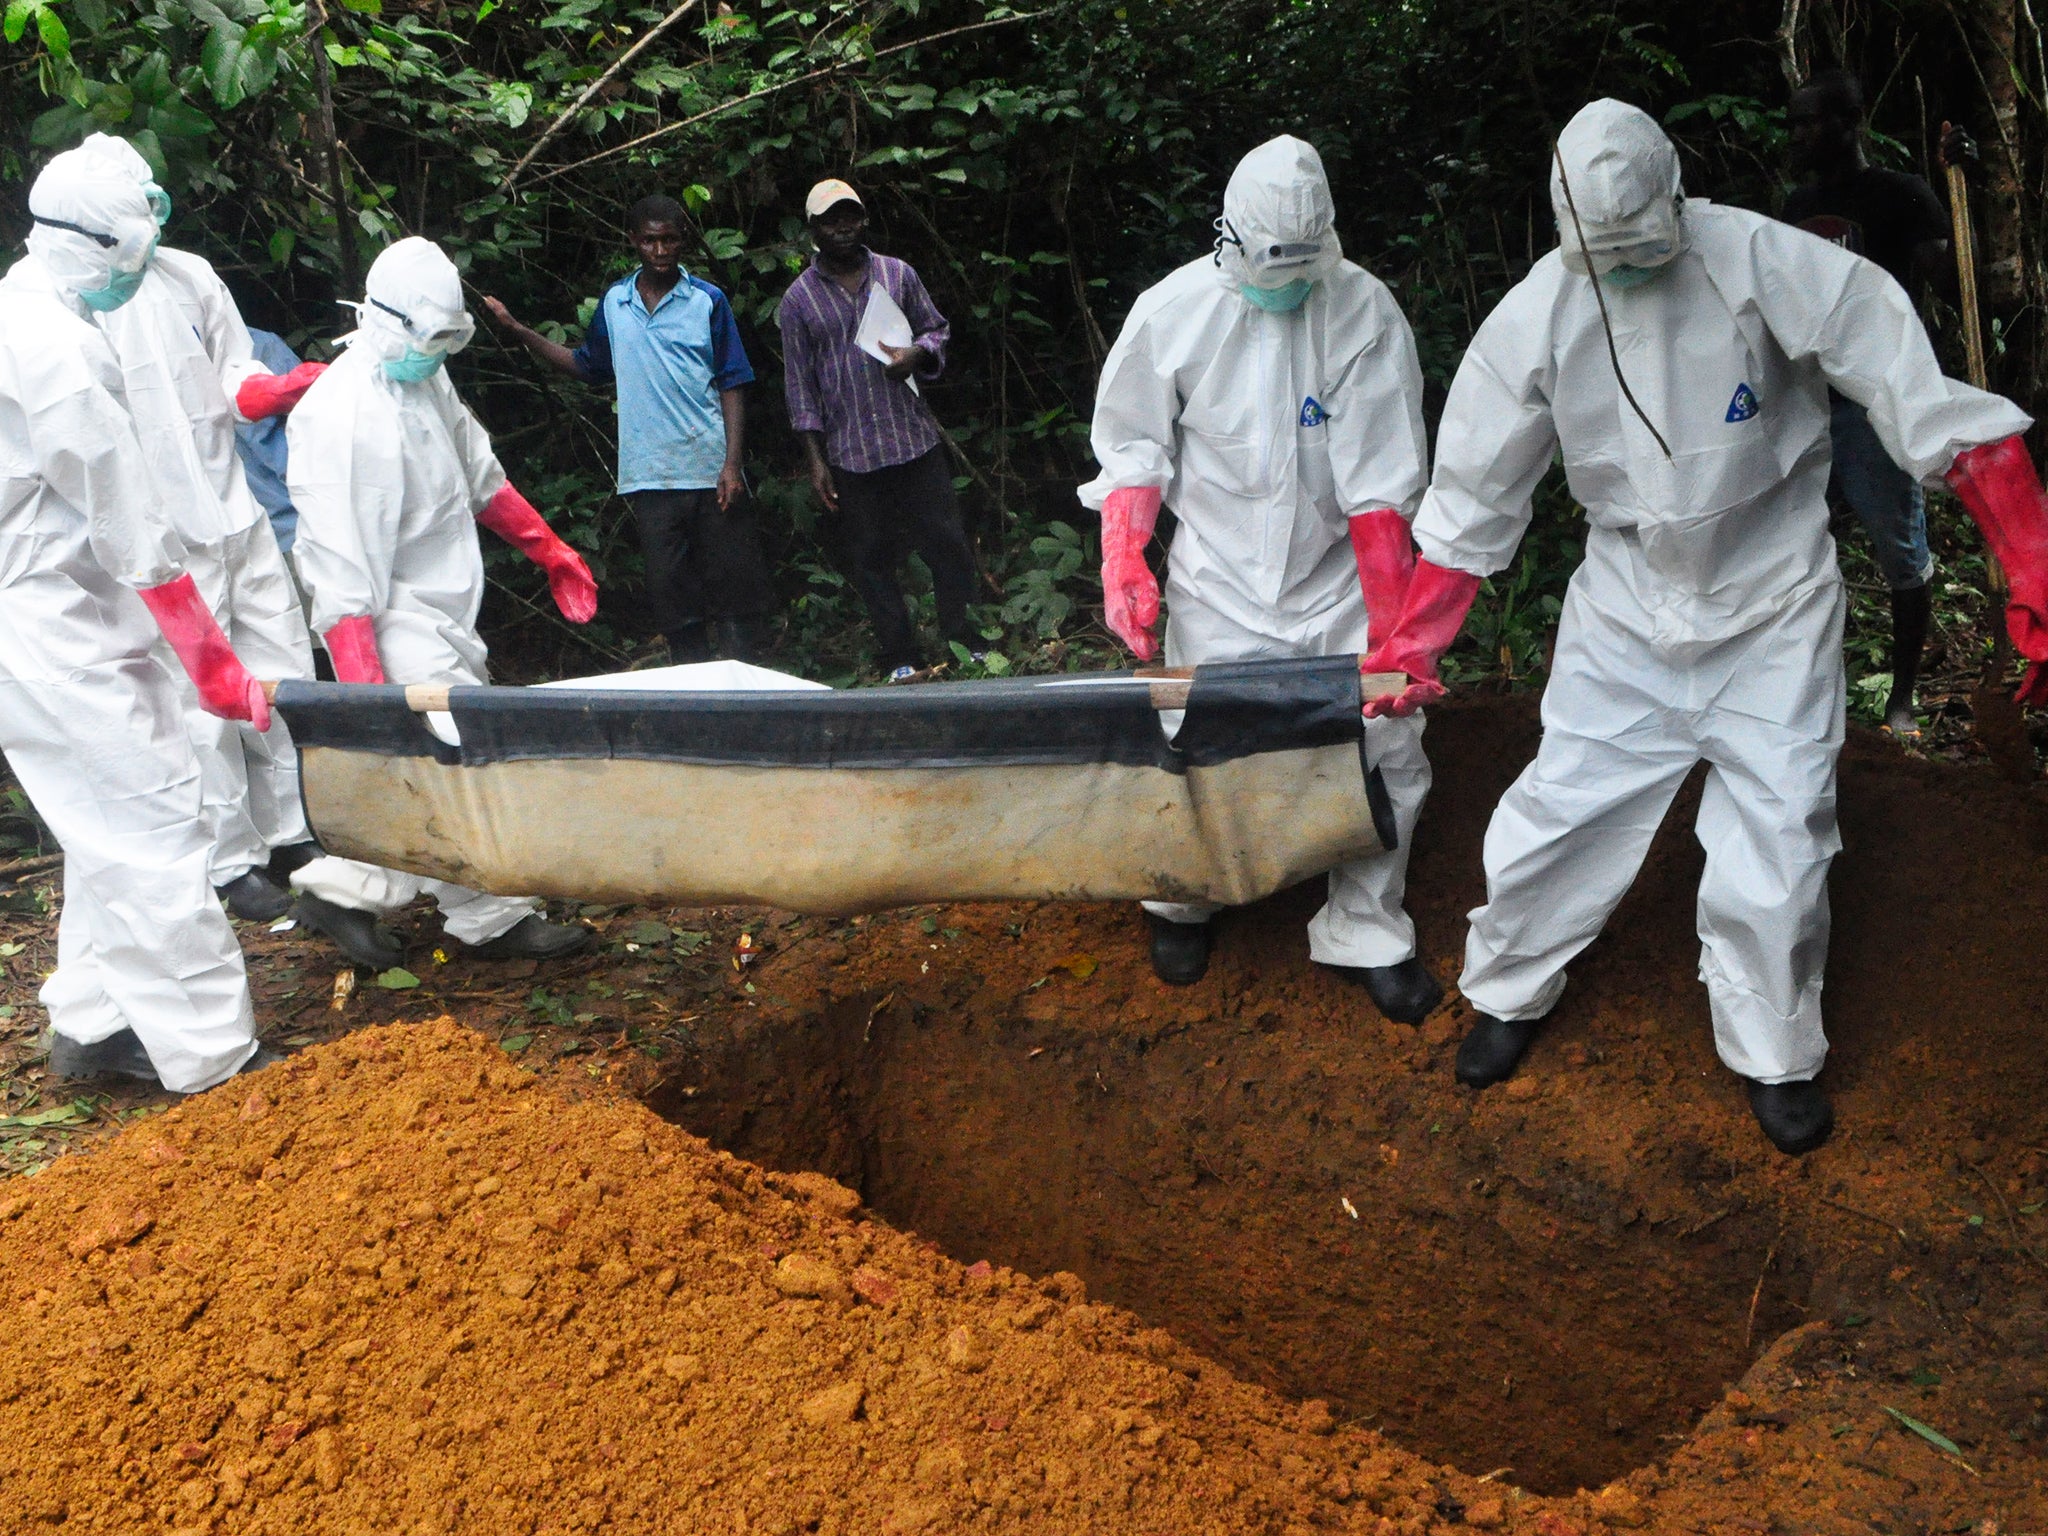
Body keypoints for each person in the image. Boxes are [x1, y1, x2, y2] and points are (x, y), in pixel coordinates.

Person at [1361, 99, 2044, 1154]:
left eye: (1644, 246)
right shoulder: (1534, 318)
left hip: (1771, 598)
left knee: (1777, 836)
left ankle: (1773, 1053)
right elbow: (1470, 504)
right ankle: (1507, 989)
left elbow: (1919, 400)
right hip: (1626, 608)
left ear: (1677, 200)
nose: (1629, 270)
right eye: (1608, 256)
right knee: (1559, 809)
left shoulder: (1765, 262)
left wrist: (2027, 555)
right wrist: (1408, 645)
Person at [1078, 135, 1442, 1024]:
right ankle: (1184, 900)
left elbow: (1383, 487)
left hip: (1339, 582)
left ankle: (1364, 922)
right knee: (1192, 736)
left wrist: (1396, 631)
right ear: (1228, 238)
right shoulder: (1175, 311)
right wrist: (1125, 556)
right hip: (1220, 580)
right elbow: (1132, 445)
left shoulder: (1362, 311)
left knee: (1388, 746)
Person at [6, 147, 276, 1091]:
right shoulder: (59, 352)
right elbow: (131, 526)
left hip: (70, 612)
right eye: (130, 252)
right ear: (90, 244)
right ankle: (215, 1058)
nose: (139, 269)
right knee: (156, 825)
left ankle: (91, 1023)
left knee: (101, 827)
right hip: (53, 628)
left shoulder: (27, 300)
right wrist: (212, 662)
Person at [284, 236, 599, 968]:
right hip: (383, 620)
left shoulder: (423, 380)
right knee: (456, 765)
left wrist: (550, 549)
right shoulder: (341, 414)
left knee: (435, 771)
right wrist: (367, 698)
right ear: (388, 322)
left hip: (444, 609)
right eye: (434, 338)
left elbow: (480, 474)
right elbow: (339, 573)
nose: (441, 353)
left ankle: (348, 890)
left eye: (453, 339)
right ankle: (486, 918)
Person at [75, 133, 325, 922]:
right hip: (164, 538)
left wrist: (269, 392)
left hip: (235, 507)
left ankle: (299, 832)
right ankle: (233, 856)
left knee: (284, 668)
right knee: (200, 699)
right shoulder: (77, 304)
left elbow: (232, 364)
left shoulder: (191, 275)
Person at [484, 195, 772, 663]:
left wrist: (732, 464)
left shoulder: (707, 301)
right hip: (649, 476)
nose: (661, 250)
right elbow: (586, 365)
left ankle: (745, 692)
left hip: (709, 470)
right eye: (651, 241)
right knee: (672, 594)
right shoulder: (616, 303)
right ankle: (694, 691)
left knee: (731, 585)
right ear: (634, 242)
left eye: (670, 239)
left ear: (683, 240)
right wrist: (518, 331)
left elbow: (733, 381)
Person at [1782, 70, 1972, 739]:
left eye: (1810, 121)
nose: (1799, 135)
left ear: (1850, 120)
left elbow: (1948, 279)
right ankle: (1808, 694)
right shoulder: (1795, 208)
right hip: (1806, 406)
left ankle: (1902, 700)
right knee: (1793, 550)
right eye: (1794, 122)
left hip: (1873, 405)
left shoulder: (1898, 196)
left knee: (1900, 554)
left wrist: (1954, 193)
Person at [778, 179, 978, 681]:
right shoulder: (798, 301)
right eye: (830, 220)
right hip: (851, 452)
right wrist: (815, 459)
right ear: (814, 229)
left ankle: (962, 640)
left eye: (850, 216)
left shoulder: (897, 274)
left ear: (863, 219)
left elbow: (937, 328)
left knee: (947, 543)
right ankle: (900, 656)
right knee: (870, 559)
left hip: (911, 438)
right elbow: (799, 385)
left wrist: (919, 353)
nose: (842, 227)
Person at [236, 327, 309, 556]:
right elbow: (315, 430)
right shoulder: (257, 345)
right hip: (305, 526)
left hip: (255, 545)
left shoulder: (143, 373)